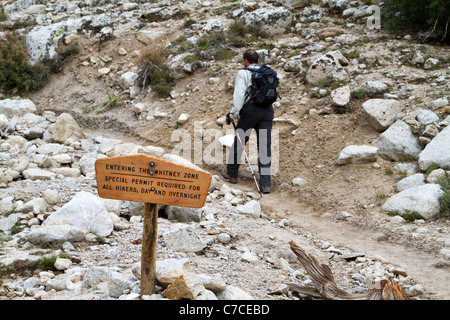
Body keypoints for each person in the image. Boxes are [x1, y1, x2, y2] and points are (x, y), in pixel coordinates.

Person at [221, 49, 274, 194]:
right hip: (267, 111)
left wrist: (233, 114)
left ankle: (231, 172)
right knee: (264, 146)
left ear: (245, 60)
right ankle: (265, 183)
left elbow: (239, 96)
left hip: (250, 111)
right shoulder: (266, 72)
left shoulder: (243, 73)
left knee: (239, 140)